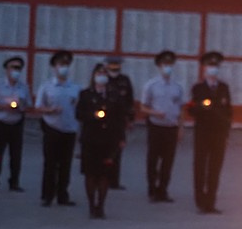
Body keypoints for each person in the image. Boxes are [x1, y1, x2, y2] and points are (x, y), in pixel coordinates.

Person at [76, 63, 127, 219]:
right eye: (99, 73)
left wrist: (121, 138)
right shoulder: (85, 94)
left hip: (108, 139)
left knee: (105, 174)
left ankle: (101, 205)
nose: (102, 76)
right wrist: (93, 115)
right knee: (91, 173)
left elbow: (120, 118)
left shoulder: (114, 95)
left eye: (104, 73)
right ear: (93, 76)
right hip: (90, 138)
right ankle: (92, 205)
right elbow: (79, 114)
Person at [34, 50, 80, 208]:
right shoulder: (47, 86)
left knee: (66, 164)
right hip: (52, 127)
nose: (64, 68)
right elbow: (38, 107)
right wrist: (50, 110)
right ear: (54, 67)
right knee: (50, 163)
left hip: (69, 129)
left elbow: (79, 108)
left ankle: (63, 195)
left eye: (66, 65)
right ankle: (47, 195)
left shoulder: (75, 87)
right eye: (61, 64)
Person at [188, 51, 232, 214]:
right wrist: (201, 106)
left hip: (219, 134)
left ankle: (211, 202)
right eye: (210, 66)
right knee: (200, 167)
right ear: (204, 68)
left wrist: (227, 132)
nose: (213, 69)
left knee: (215, 168)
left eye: (215, 66)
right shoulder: (198, 88)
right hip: (203, 133)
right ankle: (200, 201)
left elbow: (228, 112)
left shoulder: (223, 88)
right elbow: (191, 110)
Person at [141, 50, 185, 203]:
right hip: (156, 126)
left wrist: (181, 128)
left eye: (170, 64)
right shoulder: (151, 85)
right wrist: (154, 112)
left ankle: (163, 190)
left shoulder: (177, 86)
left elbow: (181, 109)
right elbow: (143, 107)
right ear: (159, 66)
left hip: (171, 127)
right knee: (153, 160)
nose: (168, 67)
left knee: (168, 162)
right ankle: (152, 189)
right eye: (165, 64)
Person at [0, 56, 32, 193]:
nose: (15, 70)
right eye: (13, 67)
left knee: (16, 154)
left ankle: (14, 182)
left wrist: (21, 106)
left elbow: (29, 105)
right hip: (0, 123)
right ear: (7, 69)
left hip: (17, 123)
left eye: (18, 68)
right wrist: (4, 107)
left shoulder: (23, 87)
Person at [105, 55, 135, 190]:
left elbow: (130, 100)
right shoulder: (102, 78)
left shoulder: (124, 80)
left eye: (117, 65)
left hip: (119, 120)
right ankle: (103, 178)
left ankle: (114, 181)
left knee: (117, 149)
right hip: (104, 120)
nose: (114, 67)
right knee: (103, 150)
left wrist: (131, 119)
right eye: (112, 64)